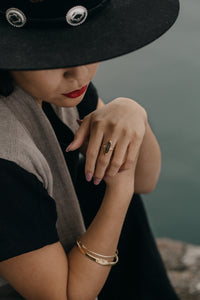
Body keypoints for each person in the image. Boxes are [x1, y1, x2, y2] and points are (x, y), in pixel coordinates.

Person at [0, 0, 180, 300]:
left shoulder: (60, 91)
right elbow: (65, 297)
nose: (80, 74)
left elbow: (146, 181)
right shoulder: (6, 162)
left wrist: (133, 113)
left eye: (83, 49)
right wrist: (119, 189)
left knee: (102, 170)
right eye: (55, 57)